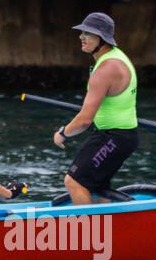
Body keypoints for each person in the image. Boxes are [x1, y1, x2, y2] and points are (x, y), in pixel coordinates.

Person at [52, 12, 139, 205]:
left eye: (88, 34)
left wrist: (63, 133)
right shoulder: (117, 57)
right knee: (94, 188)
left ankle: (87, 233)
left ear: (102, 39)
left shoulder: (105, 69)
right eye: (82, 32)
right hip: (121, 136)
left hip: (114, 137)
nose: (81, 37)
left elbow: (84, 120)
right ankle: (110, 227)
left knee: (74, 181)